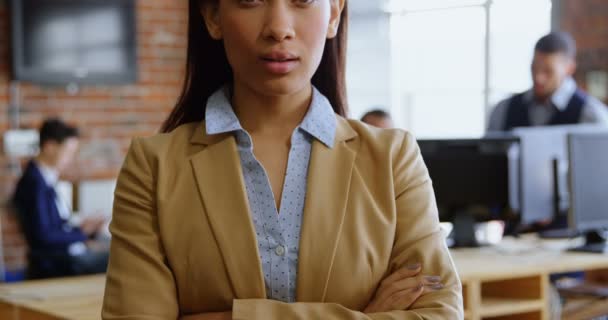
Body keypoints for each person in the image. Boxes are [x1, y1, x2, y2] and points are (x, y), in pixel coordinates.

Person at [102, 0, 463, 319]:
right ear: (213, 16)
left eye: (302, 0)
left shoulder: (393, 159)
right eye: (251, 0)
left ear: (334, 12)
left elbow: (439, 313)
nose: (279, 28)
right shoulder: (152, 167)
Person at [13, 118, 109, 279]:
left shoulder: (44, 178)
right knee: (117, 258)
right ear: (50, 147)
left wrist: (83, 229)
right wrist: (82, 234)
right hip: (53, 262)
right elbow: (43, 235)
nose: (70, 159)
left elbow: (54, 224)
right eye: (68, 152)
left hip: (61, 255)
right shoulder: (34, 183)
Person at [487, 31, 608, 132]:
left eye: (548, 71)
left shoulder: (594, 117)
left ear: (569, 68)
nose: (539, 77)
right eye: (534, 68)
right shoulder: (503, 110)